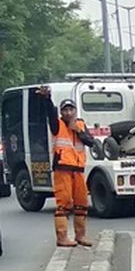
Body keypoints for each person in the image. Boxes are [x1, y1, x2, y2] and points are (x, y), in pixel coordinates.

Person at [41, 90, 95, 247]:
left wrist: (78, 130)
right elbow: (50, 113)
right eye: (65, 110)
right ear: (61, 112)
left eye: (71, 110)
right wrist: (47, 99)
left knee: (81, 203)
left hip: (78, 170)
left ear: (75, 111)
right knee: (63, 203)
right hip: (62, 169)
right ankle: (62, 237)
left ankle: (80, 235)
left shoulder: (80, 125)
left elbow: (90, 142)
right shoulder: (57, 124)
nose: (68, 113)